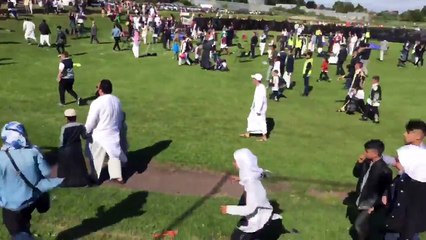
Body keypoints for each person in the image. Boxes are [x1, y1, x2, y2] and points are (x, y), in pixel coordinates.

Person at [0, 121, 63, 239]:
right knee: (25, 222)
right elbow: (47, 173)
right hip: (32, 200)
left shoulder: (1, 157)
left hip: (12, 206)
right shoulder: (34, 152)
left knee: (18, 233)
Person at [221, 148, 283, 240]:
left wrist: (228, 209)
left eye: (236, 161)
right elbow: (257, 175)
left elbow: (249, 209)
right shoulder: (252, 174)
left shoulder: (251, 186)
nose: (233, 163)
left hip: (260, 221)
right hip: (261, 216)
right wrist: (240, 179)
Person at [385, 120, 426, 240]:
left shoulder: (403, 152)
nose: (404, 134)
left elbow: (401, 175)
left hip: (405, 197)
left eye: (408, 132)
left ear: (418, 136)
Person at [85, 79, 128, 184]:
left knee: (95, 155)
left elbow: (92, 121)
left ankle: (95, 177)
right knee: (114, 154)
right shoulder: (117, 100)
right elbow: (120, 117)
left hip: (99, 134)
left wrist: (86, 131)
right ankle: (118, 176)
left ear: (100, 90)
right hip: (113, 132)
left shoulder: (97, 102)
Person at [352, 139, 392, 240]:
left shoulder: (385, 171)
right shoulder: (366, 162)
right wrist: (359, 163)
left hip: (371, 203)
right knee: (365, 225)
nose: (364, 153)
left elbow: (385, 191)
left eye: (367, 151)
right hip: (361, 199)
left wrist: (375, 206)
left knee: (359, 225)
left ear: (375, 153)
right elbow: (356, 174)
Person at [58, 109, 90, 187]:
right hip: (77, 149)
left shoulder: (64, 127)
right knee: (79, 167)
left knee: (66, 167)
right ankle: (82, 183)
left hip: (67, 149)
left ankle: (65, 183)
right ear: (75, 117)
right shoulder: (80, 125)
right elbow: (85, 136)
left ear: (67, 118)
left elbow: (62, 140)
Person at [240, 74, 268, 142]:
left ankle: (264, 136)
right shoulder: (258, 87)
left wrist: (258, 110)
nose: (252, 80)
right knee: (250, 119)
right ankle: (248, 133)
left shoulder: (261, 88)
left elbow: (261, 100)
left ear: (256, 80)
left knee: (261, 122)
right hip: (255, 108)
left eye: (253, 79)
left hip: (259, 109)